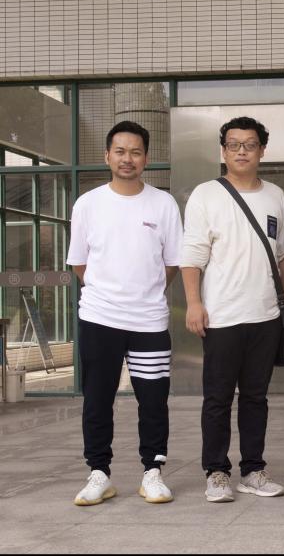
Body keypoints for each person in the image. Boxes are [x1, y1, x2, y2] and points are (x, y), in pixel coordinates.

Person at [66, 121, 182, 506]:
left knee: (154, 400)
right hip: (100, 318)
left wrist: (144, 293)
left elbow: (172, 263)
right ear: (107, 156)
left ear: (146, 158)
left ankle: (153, 472)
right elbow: (79, 263)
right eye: (120, 151)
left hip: (149, 320)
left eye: (135, 152)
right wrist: (108, 293)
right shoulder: (88, 204)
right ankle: (99, 473)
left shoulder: (163, 204)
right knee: (98, 399)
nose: (127, 158)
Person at [181, 116, 284, 502]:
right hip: (221, 315)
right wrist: (194, 303)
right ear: (223, 151)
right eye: (234, 145)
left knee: (256, 398)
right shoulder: (206, 194)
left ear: (263, 150)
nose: (242, 151)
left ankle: (253, 470)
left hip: (265, 315)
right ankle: (216, 472)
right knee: (217, 398)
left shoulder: (276, 195)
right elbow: (192, 255)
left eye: (249, 144)